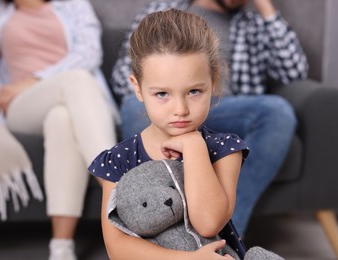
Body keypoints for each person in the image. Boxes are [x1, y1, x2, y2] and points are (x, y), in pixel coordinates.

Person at [111, 0, 308, 236]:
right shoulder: (163, 9)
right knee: (135, 105)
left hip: (228, 108)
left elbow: (294, 72)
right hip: (166, 105)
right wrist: (166, 94)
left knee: (279, 111)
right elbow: (123, 77)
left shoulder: (253, 23)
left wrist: (265, 7)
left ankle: (224, 231)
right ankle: (151, 227)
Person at [89, 8, 249, 259]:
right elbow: (117, 247)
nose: (181, 110)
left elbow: (208, 223)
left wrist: (195, 146)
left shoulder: (224, 150)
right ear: (138, 88)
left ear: (214, 82)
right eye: (162, 94)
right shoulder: (118, 161)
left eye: (194, 91)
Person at [0, 0, 120, 259]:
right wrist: (28, 88)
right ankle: (118, 189)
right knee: (76, 81)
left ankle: (60, 248)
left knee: (62, 118)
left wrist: (32, 81)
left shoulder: (75, 6)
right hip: (23, 106)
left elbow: (88, 54)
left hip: (81, 99)